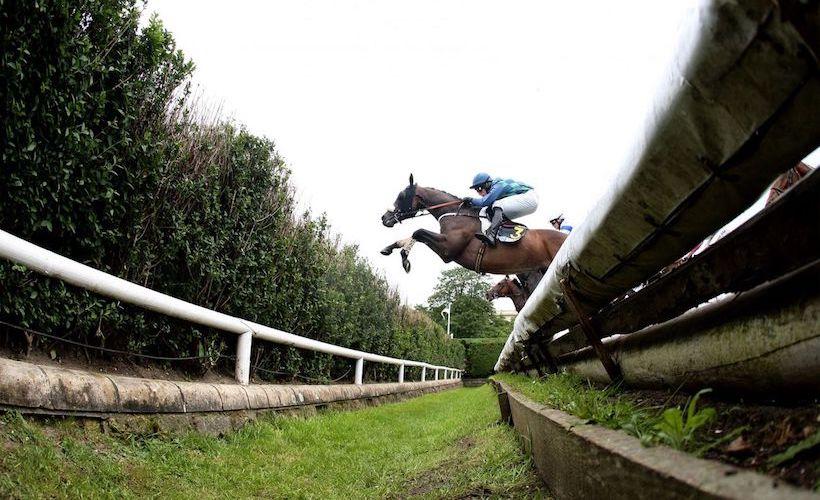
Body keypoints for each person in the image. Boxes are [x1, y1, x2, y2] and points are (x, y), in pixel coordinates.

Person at [462, 172, 538, 246]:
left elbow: (485, 202)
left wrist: (471, 200)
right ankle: (502, 234)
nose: (479, 192)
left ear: (487, 184)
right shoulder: (495, 188)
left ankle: (491, 235)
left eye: (479, 189)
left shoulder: (498, 185)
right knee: (490, 211)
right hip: (527, 200)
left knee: (497, 205)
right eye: (476, 190)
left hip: (529, 197)